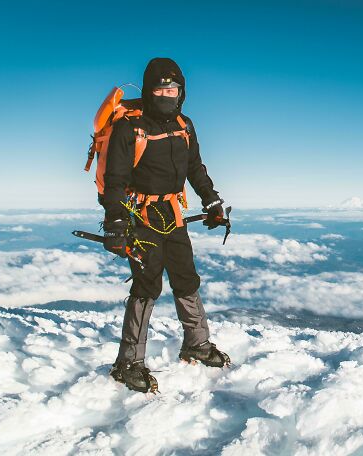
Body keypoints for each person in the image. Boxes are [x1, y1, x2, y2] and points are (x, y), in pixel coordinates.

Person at [100, 57, 230, 393]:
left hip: (171, 213)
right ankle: (128, 363)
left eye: (172, 88)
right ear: (147, 89)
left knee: (186, 276)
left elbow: (195, 169)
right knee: (147, 285)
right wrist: (114, 220)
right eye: (160, 88)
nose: (166, 94)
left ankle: (197, 344)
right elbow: (115, 179)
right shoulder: (131, 127)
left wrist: (212, 201)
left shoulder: (184, 125)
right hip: (139, 215)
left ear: (182, 91)